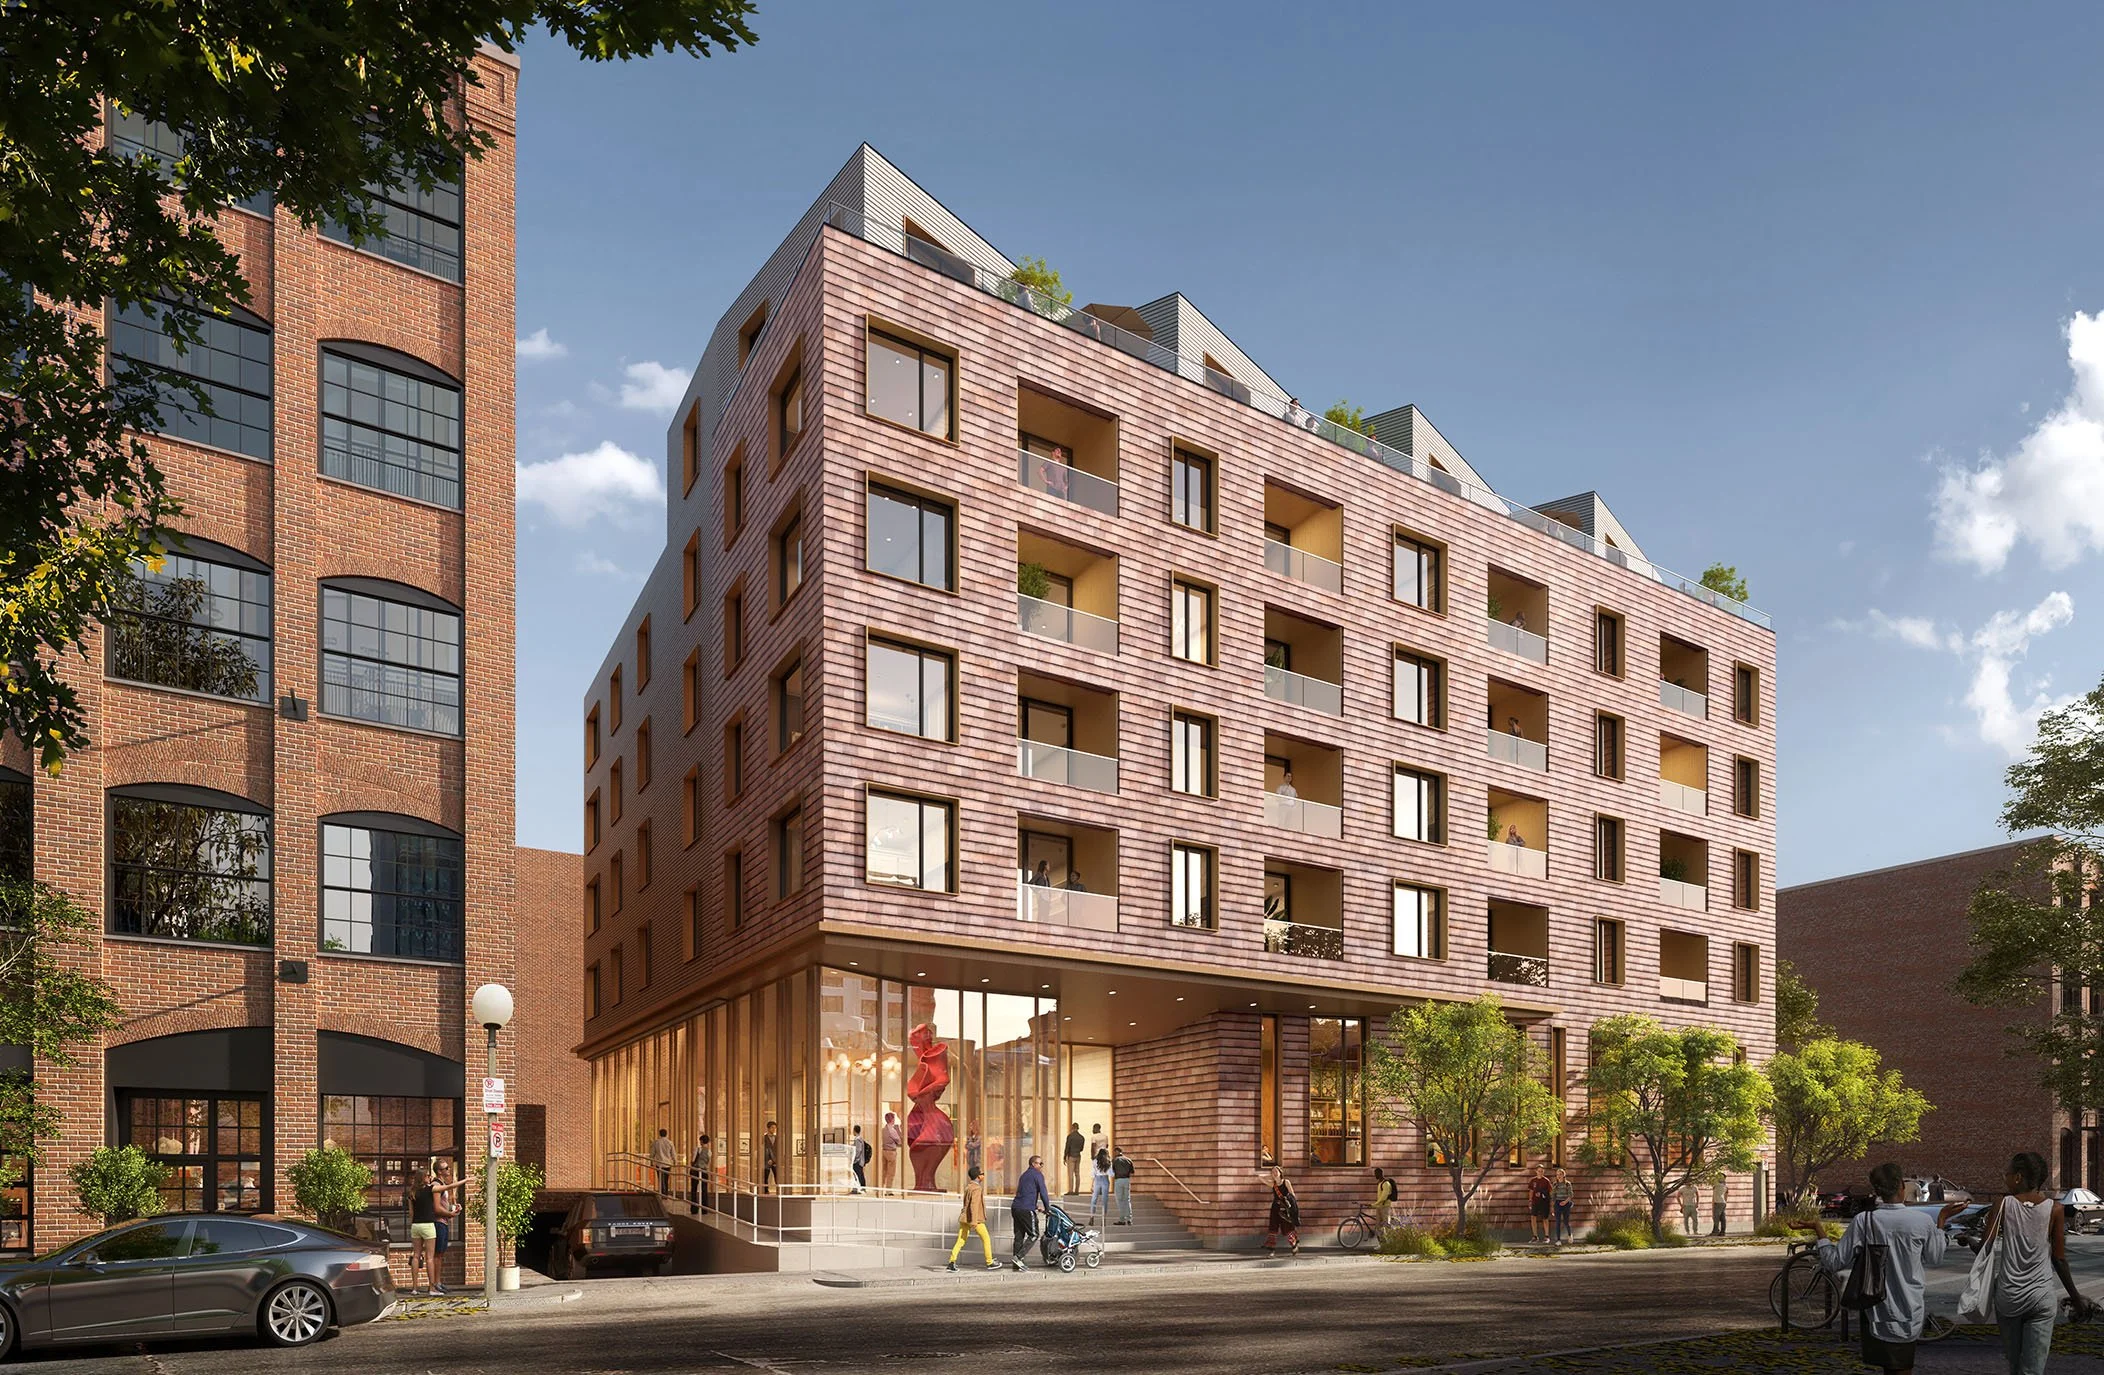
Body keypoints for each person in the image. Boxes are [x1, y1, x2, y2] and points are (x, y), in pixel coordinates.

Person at [1809, 1161, 1962, 1375]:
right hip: (1909, 1307)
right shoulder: (1921, 1221)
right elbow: (1935, 1257)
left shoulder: (1864, 1221)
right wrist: (1942, 1219)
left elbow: (1834, 1262)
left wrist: (1819, 1231)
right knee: (1902, 1367)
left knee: (1889, 1368)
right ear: (1902, 1186)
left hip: (1874, 1308)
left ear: (1877, 1190)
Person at [1980, 1151, 2094, 1374]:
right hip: (2041, 1297)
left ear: (2018, 1177)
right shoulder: (2055, 1209)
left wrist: (1968, 1240)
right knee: (2033, 1370)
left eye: (2007, 1173)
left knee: (2015, 1366)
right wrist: (2075, 1297)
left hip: (2009, 1298)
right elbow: (2059, 1259)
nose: (2004, 1177)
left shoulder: (2002, 1204)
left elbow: (1984, 1248)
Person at [945, 1165, 1000, 1272]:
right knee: (986, 1239)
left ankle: (951, 1262)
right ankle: (989, 1262)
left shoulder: (968, 1187)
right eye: (982, 1174)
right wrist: (974, 1221)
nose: (984, 1176)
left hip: (965, 1218)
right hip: (975, 1219)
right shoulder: (976, 1188)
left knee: (961, 1240)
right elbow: (974, 1205)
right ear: (978, 1176)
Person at [430, 1158, 465, 1293]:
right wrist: (450, 1214)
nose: (448, 1170)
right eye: (446, 1168)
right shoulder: (436, 1185)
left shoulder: (442, 1184)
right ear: (439, 1171)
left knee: (440, 1254)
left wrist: (453, 1208)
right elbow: (436, 1208)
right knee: (437, 1254)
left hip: (443, 1222)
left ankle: (438, 1282)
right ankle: (435, 1283)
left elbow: (443, 1205)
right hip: (438, 1222)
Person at [406, 1165, 440, 1295]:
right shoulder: (430, 1189)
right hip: (428, 1225)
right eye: (428, 1175)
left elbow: (411, 1213)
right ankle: (431, 1288)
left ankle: (414, 1288)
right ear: (423, 1177)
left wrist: (413, 1224)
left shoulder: (412, 1192)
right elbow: (447, 1187)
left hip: (416, 1226)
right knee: (429, 1257)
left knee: (416, 1255)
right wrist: (465, 1181)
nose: (430, 1177)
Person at [1012, 1155, 1049, 1270]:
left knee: (1019, 1236)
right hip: (1026, 1209)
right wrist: (1047, 1209)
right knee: (1034, 1234)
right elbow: (1043, 1193)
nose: (1041, 1166)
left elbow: (1024, 1193)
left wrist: (1035, 1206)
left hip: (1016, 1208)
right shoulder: (1037, 1175)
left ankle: (1016, 1264)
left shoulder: (1024, 1175)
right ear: (1033, 1164)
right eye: (1040, 1163)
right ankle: (1018, 1257)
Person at [1264, 1168, 1300, 1254]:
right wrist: (1271, 1176)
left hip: (1285, 1208)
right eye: (1273, 1172)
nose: (1274, 1173)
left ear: (1280, 1172)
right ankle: (1271, 1250)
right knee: (1273, 1227)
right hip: (1275, 1207)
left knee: (1287, 1227)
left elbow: (1292, 1195)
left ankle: (1294, 1245)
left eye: (1276, 1171)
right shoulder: (1273, 1184)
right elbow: (1260, 1177)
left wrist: (1292, 1207)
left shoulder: (1286, 1182)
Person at [1528, 1165, 1553, 1243]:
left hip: (1544, 1202)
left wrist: (1551, 1202)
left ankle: (1547, 1236)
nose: (1540, 1172)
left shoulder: (1546, 1181)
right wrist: (1530, 1201)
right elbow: (1531, 1191)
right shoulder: (1533, 1180)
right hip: (1535, 1202)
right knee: (1533, 1217)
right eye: (1539, 1171)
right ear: (1536, 1171)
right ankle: (1535, 1236)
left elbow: (1550, 1192)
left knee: (1545, 1218)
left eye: (1542, 1171)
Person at [1112, 1146, 1135, 1225]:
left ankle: (1122, 1219)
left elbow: (1112, 1171)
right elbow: (1132, 1172)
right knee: (1127, 1200)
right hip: (1127, 1180)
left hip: (1119, 1180)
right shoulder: (1128, 1160)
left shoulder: (1115, 1160)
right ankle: (1129, 1219)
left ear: (1116, 1152)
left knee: (1120, 1200)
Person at [650, 1128, 677, 1197]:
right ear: (666, 1134)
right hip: (667, 1163)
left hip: (659, 1163)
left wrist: (651, 1162)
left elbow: (652, 1153)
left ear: (659, 1134)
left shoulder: (656, 1142)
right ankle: (665, 1193)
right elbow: (673, 1153)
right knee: (666, 1179)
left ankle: (662, 1193)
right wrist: (675, 1161)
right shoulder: (670, 1142)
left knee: (660, 1179)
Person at [1551, 1167, 1575, 1244]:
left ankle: (1570, 1234)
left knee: (1566, 1221)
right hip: (1557, 1203)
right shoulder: (1555, 1184)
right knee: (1558, 1222)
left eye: (1560, 1174)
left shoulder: (1567, 1184)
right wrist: (1552, 1206)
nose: (1559, 1176)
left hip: (1566, 1203)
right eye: (1557, 1174)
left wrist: (1565, 1201)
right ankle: (1558, 1240)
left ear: (1563, 1175)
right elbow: (1553, 1196)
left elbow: (1570, 1195)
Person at [1090, 1147, 1112, 1222]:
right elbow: (1111, 1174)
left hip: (1097, 1179)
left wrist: (1091, 1185)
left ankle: (1092, 1217)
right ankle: (1104, 1218)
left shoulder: (1095, 1161)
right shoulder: (1108, 1161)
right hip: (1105, 1179)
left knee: (1094, 1198)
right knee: (1104, 1200)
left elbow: (1093, 1173)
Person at [881, 1112, 901, 1191]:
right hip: (891, 1152)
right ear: (892, 1119)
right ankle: (888, 1190)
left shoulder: (883, 1130)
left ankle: (881, 1188)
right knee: (891, 1173)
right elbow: (899, 1141)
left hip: (884, 1151)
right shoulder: (892, 1130)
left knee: (884, 1171)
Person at [1064, 1123, 1085, 1196]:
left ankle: (1071, 1190)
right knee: (1077, 1173)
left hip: (1071, 1156)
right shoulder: (1081, 1137)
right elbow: (1082, 1149)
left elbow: (1067, 1147)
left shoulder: (1070, 1136)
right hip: (1078, 1156)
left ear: (1072, 1128)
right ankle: (1077, 1190)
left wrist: (1065, 1156)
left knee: (1070, 1174)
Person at [1372, 1167, 1397, 1231]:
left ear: (1380, 1173)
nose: (1375, 1175)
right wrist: (1377, 1204)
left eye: (1376, 1173)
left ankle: (1393, 1235)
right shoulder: (1380, 1183)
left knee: (1386, 1224)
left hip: (1385, 1206)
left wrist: (1374, 1204)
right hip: (1379, 1206)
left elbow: (1384, 1197)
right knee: (1378, 1225)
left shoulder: (1386, 1184)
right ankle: (1380, 1237)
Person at [693, 1134, 713, 1211]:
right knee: (704, 1189)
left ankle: (694, 1208)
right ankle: (705, 1209)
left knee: (694, 1189)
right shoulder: (709, 1151)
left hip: (696, 1170)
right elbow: (708, 1162)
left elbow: (693, 1160)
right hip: (704, 1171)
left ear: (701, 1141)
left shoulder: (697, 1149)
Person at [849, 1125, 870, 1194]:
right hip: (860, 1161)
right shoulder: (860, 1139)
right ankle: (862, 1188)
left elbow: (858, 1150)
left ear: (854, 1131)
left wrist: (854, 1158)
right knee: (860, 1174)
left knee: (857, 1175)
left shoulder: (857, 1140)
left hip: (858, 1161)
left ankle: (858, 1189)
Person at [762, 1120, 779, 1193]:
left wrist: (774, 1160)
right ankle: (766, 1191)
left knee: (777, 1176)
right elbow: (763, 1149)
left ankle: (779, 1190)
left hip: (775, 1160)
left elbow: (778, 1150)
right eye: (772, 1128)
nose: (774, 1129)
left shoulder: (777, 1138)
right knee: (765, 1176)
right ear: (768, 1128)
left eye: (775, 1128)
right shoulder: (763, 1138)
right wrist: (768, 1159)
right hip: (766, 1160)